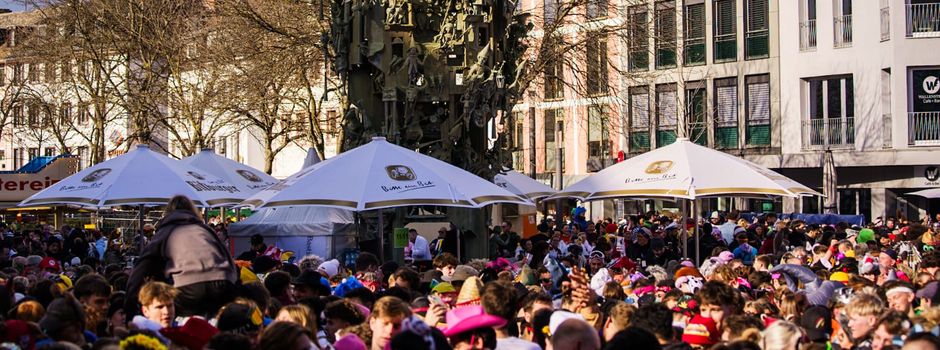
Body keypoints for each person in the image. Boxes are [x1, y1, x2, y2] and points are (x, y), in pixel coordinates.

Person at [126, 195, 238, 319]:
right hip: (223, 283)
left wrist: (129, 306)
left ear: (168, 212)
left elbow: (142, 267)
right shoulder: (205, 229)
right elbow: (228, 259)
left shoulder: (166, 231)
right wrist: (234, 286)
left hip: (187, 287)